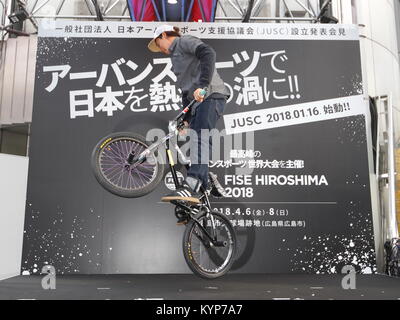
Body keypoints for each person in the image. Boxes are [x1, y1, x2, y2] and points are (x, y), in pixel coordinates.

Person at [148, 24, 230, 205]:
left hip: (211, 95)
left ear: (163, 35)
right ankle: (207, 178)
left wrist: (203, 85)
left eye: (157, 43)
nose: (159, 49)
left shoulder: (183, 41)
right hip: (197, 101)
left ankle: (192, 183)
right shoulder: (175, 61)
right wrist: (185, 119)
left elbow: (208, 53)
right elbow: (186, 91)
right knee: (194, 138)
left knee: (200, 137)